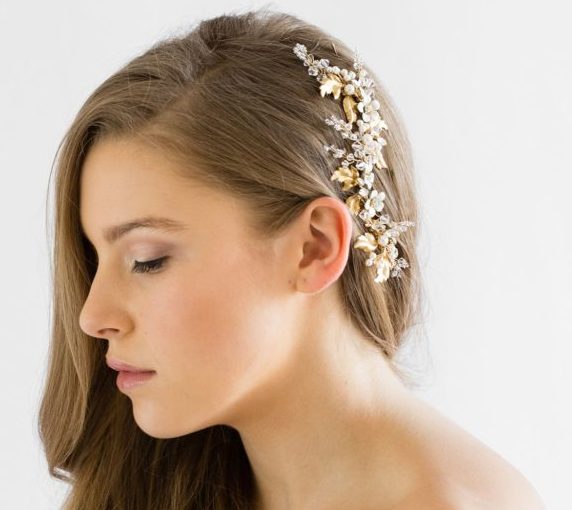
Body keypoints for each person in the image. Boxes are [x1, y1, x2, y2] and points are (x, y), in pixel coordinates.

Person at [38, 7, 546, 510]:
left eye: (147, 260)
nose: (92, 317)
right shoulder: (165, 484)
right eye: (94, 259)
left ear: (315, 248)